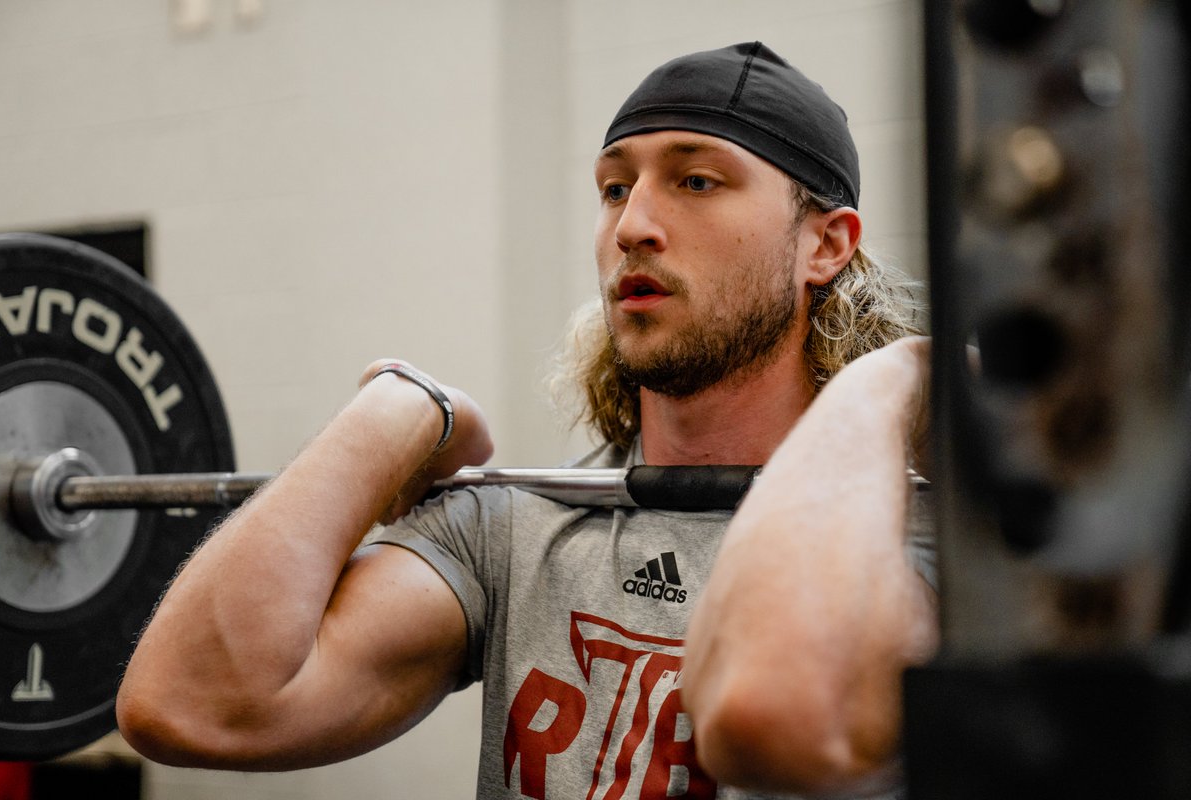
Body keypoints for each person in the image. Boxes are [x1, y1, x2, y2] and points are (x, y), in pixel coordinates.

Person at [116, 41, 937, 799]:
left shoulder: (932, 547)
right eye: (615, 188)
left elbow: (776, 709)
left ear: (825, 246)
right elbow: (189, 703)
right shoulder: (516, 534)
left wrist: (881, 384)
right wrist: (402, 409)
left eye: (696, 181)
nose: (631, 226)